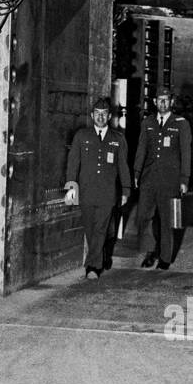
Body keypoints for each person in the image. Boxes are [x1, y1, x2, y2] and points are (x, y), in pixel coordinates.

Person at [64, 97, 130, 279]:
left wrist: (125, 190)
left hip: (107, 193)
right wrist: (71, 187)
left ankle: (93, 267)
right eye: (97, 114)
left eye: (104, 114)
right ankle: (103, 255)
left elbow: (123, 167)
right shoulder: (82, 136)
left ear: (109, 116)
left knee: (100, 228)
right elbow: (73, 164)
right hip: (86, 191)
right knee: (91, 229)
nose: (100, 117)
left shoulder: (118, 139)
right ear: (92, 115)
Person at [131, 87, 191, 269]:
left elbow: (185, 153)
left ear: (171, 102)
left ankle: (164, 258)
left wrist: (184, 179)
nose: (163, 103)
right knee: (143, 216)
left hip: (170, 180)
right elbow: (141, 149)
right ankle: (151, 251)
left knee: (166, 220)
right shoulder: (147, 122)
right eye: (160, 100)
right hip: (149, 179)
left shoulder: (180, 123)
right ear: (155, 102)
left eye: (166, 100)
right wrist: (136, 173)